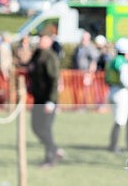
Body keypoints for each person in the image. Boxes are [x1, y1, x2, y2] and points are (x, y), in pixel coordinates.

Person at [28, 34, 64, 167]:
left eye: (43, 40)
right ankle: (55, 149)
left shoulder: (50, 57)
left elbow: (54, 80)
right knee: (36, 127)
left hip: (48, 99)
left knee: (45, 128)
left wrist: (51, 101)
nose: (40, 42)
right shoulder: (37, 55)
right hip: (38, 98)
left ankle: (50, 158)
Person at [106, 37, 128, 152]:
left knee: (116, 119)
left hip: (112, 90)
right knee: (120, 120)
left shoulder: (112, 60)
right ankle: (113, 146)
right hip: (121, 92)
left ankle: (112, 145)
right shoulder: (123, 63)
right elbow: (126, 81)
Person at [72, 31, 99, 109]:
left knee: (85, 90)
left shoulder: (90, 48)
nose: (83, 39)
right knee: (77, 90)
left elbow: (94, 61)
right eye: (83, 38)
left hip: (86, 73)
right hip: (78, 73)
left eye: (85, 38)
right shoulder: (79, 48)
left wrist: (90, 73)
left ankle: (84, 106)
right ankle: (77, 105)